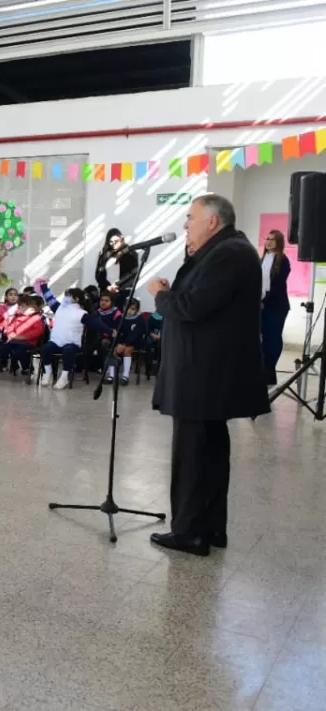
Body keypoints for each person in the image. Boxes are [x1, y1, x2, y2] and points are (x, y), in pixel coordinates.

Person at [145, 194, 269, 556]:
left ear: (212, 221)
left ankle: (189, 533)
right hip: (208, 374)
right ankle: (212, 527)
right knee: (210, 452)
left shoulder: (229, 253)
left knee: (192, 455)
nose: (186, 225)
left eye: (191, 218)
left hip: (203, 375)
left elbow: (191, 307)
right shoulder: (227, 250)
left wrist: (160, 295)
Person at [36, 283, 110, 389]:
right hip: (56, 341)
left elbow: (96, 324)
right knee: (45, 349)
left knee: (68, 351)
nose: (65, 298)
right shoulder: (59, 308)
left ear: (76, 299)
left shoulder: (82, 313)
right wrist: (43, 286)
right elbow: (49, 298)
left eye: (68, 296)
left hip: (72, 343)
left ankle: (64, 377)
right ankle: (47, 372)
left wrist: (110, 331)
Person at [260, 229, 291, 385]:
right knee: (263, 338)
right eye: (267, 238)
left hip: (276, 306)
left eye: (272, 239)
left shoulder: (283, 261)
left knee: (273, 338)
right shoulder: (263, 259)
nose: (269, 242)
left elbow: (278, 285)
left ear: (279, 242)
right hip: (262, 305)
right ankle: (265, 370)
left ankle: (270, 370)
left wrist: (264, 300)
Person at [0, 295, 46, 377]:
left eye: (23, 307)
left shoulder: (36, 318)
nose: (20, 308)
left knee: (19, 351)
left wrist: (21, 337)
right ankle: (3, 365)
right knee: (3, 348)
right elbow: (9, 328)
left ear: (31, 308)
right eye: (20, 306)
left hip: (28, 342)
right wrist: (10, 334)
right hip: (14, 340)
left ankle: (27, 368)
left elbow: (37, 332)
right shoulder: (17, 317)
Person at [100, 230, 139, 310]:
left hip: (123, 291)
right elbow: (99, 273)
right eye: (111, 241)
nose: (113, 243)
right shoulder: (105, 254)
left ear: (122, 239)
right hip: (106, 291)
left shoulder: (131, 254)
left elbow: (133, 274)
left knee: (119, 315)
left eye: (116, 241)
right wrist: (108, 286)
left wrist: (117, 285)